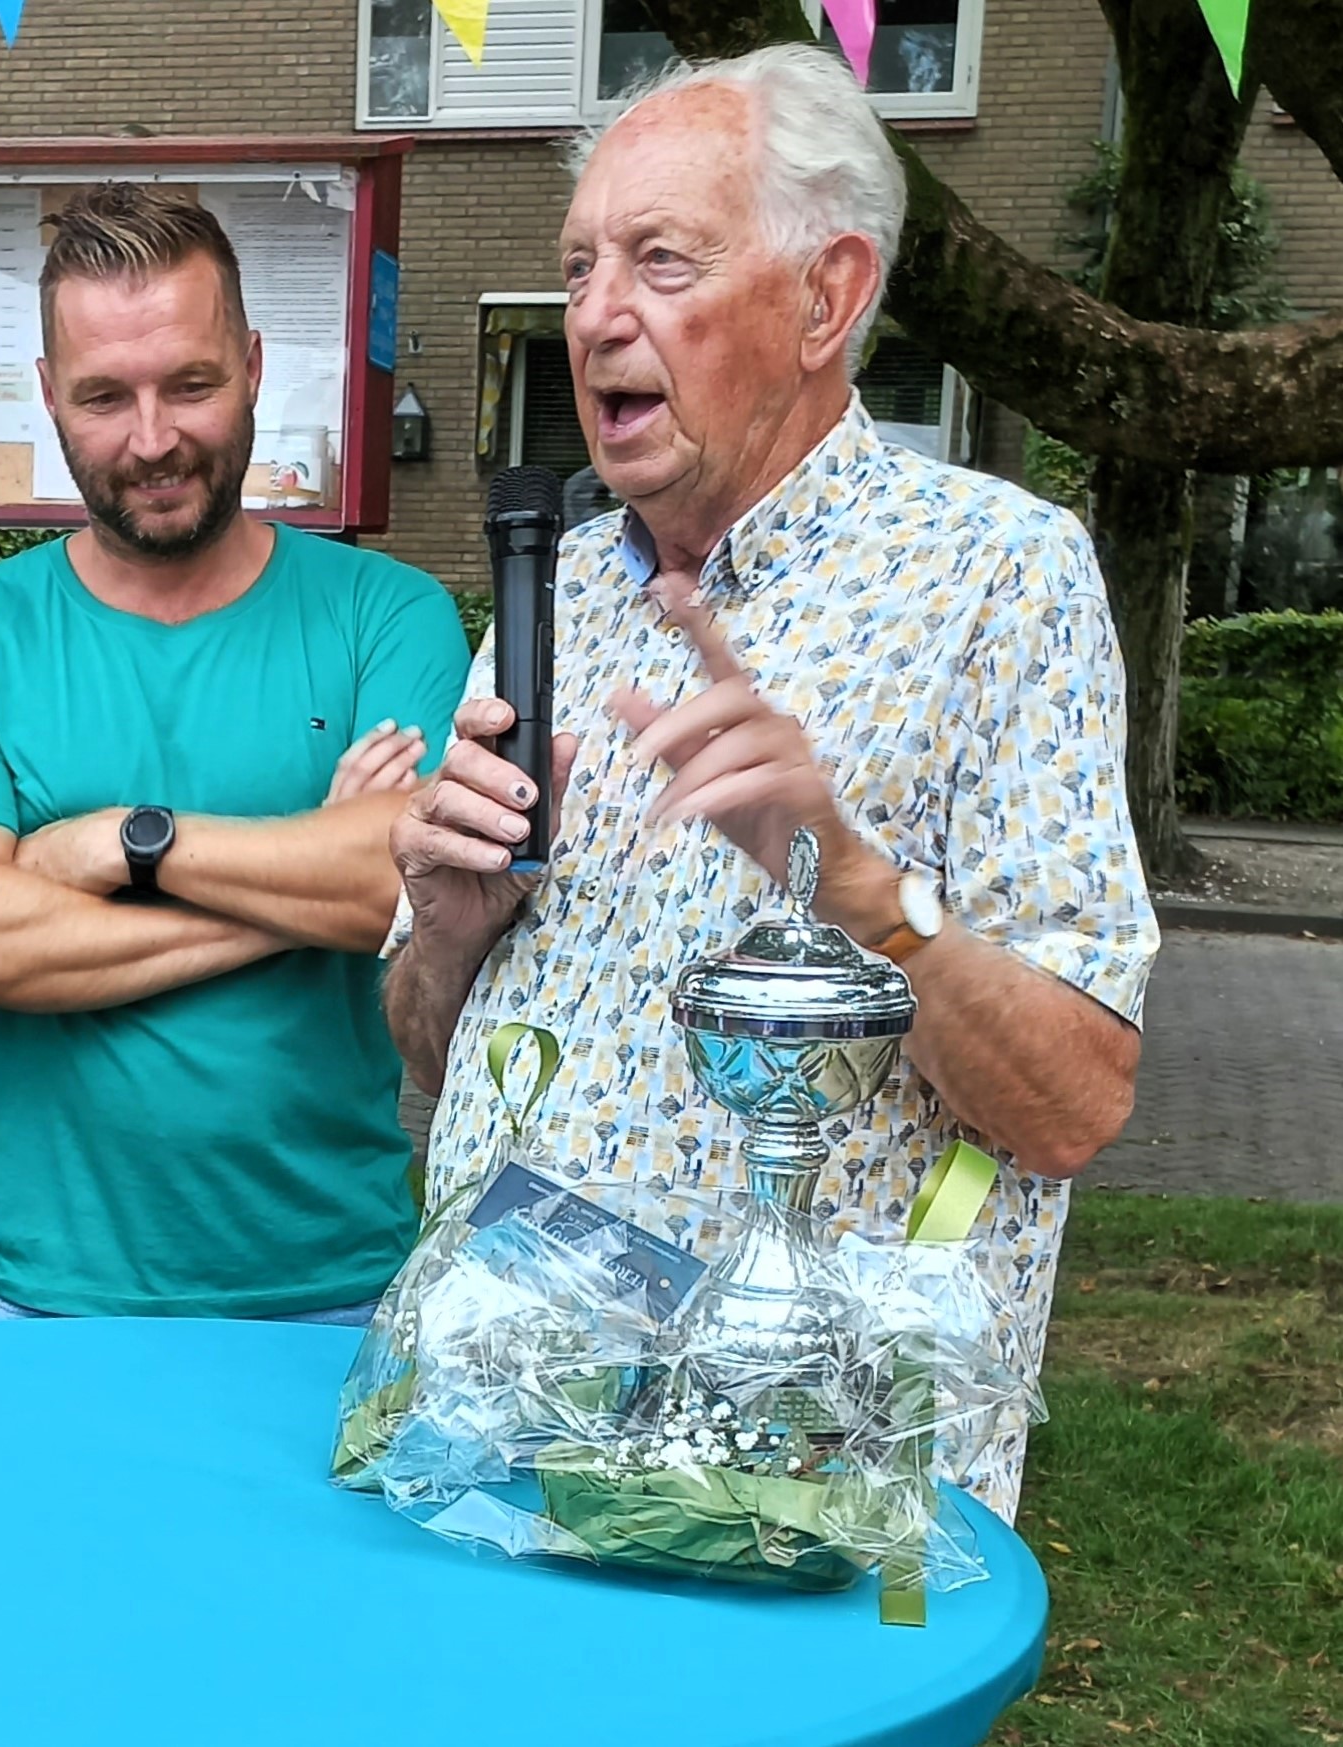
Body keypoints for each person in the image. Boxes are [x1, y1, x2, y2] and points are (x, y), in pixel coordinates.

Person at [381, 45, 1156, 1520]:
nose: (596, 313)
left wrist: (855, 888)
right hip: (501, 1449)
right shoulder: (555, 594)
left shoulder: (998, 574)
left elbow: (1068, 1103)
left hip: (797, 1489)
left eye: (661, 260)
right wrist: (447, 926)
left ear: (827, 293)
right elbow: (428, 1056)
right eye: (581, 265)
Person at [0, 183, 472, 1326]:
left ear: (251, 364)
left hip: (331, 1287)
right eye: (104, 397)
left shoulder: (383, 618)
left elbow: (407, 881)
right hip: (41, 1295)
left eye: (188, 384)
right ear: (49, 397)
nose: (151, 439)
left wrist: (117, 842)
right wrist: (306, 882)